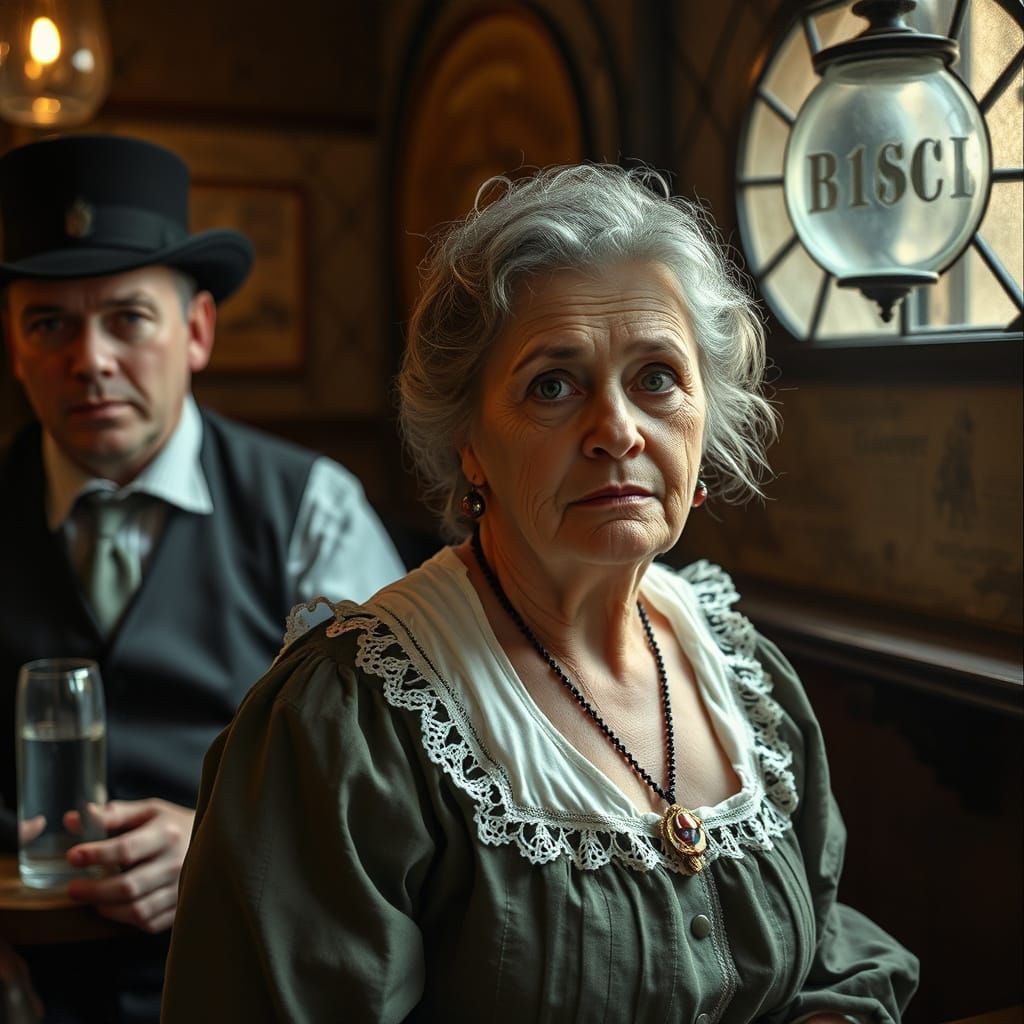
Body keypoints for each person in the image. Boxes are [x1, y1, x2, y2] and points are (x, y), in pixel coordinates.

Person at [162, 164, 919, 1022]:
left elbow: (823, 944)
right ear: (468, 444)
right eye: (552, 385)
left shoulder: (745, 678)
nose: (619, 430)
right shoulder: (355, 726)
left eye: (658, 377)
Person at [0, 133, 406, 1022]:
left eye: (127, 318)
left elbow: (396, 776)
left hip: (250, 983)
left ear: (197, 331)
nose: (91, 360)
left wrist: (220, 846)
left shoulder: (311, 509)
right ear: (14, 346)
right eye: (49, 324)